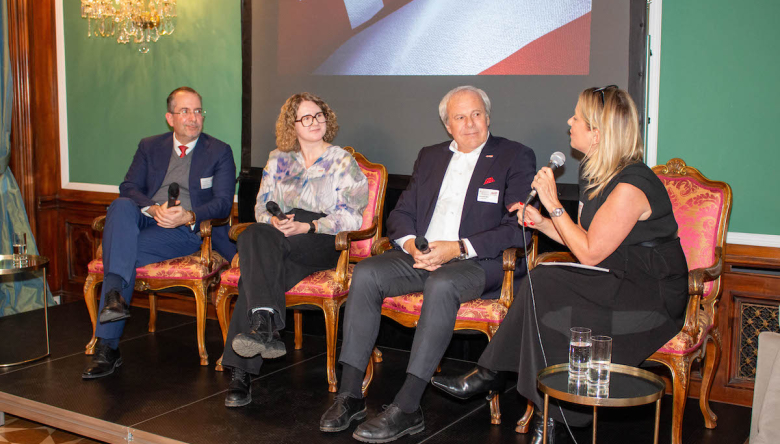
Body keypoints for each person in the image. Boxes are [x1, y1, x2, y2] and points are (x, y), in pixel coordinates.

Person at [430, 86, 689, 443]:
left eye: (578, 118)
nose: (570, 122)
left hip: (649, 295)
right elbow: (582, 236)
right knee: (545, 295)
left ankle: (495, 378)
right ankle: (544, 416)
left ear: (597, 133)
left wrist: (553, 204)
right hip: (616, 277)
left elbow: (589, 253)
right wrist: (539, 221)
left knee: (545, 286)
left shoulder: (633, 184)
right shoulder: (597, 174)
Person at [319, 85, 536, 443]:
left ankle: (407, 406)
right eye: (460, 117)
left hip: (478, 261)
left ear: (488, 117)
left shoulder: (514, 156)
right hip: (422, 255)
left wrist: (458, 248)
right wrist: (410, 245)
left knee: (442, 283)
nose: (470, 124)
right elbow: (401, 214)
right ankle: (350, 394)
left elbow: (518, 229)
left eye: (477, 114)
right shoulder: (430, 156)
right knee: (368, 273)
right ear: (447, 125)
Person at [221, 92, 368, 408]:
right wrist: (275, 222)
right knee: (255, 238)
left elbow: (352, 216)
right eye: (306, 117)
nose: (314, 122)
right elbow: (261, 207)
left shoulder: (341, 160)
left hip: (322, 238)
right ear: (293, 125)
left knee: (253, 255)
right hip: (281, 237)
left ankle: (243, 366)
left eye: (319, 115)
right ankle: (263, 327)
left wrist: (308, 226)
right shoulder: (278, 159)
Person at [82, 87, 237, 379]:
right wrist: (154, 209)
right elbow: (128, 187)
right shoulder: (149, 146)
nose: (194, 118)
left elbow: (222, 203)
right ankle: (113, 308)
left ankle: (107, 346)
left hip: (186, 230)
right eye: (185, 111)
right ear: (170, 118)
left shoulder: (219, 151)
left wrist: (188, 216)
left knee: (119, 252)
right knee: (122, 205)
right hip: (146, 219)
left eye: (198, 111)